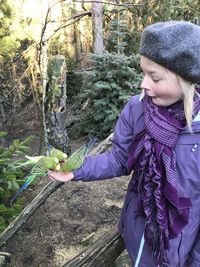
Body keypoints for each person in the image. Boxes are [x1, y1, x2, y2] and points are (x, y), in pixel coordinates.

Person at [48, 21, 200, 267]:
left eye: (155, 76)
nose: (143, 83)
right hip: (138, 232)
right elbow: (119, 158)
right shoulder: (137, 109)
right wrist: (77, 168)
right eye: (143, 72)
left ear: (185, 79)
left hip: (181, 246)